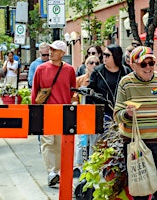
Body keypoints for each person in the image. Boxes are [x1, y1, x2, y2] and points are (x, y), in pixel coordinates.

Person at [113, 46, 157, 200]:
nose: (148, 68)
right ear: (132, 65)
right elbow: (117, 115)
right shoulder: (126, 83)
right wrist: (127, 113)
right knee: (141, 189)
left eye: (151, 63)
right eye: (143, 64)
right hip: (136, 144)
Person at [31, 40, 76, 187]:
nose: (51, 52)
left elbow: (72, 90)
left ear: (62, 53)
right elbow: (35, 91)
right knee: (47, 142)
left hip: (63, 111)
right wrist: (34, 111)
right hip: (46, 110)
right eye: (50, 49)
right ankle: (51, 172)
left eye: (55, 50)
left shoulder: (69, 70)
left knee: (59, 143)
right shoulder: (41, 69)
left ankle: (56, 172)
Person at [73, 55, 101, 177]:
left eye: (97, 62)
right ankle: (79, 166)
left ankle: (93, 166)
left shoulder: (102, 79)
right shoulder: (80, 80)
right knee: (81, 141)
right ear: (86, 65)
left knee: (95, 142)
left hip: (96, 115)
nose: (94, 65)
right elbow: (73, 97)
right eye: (91, 62)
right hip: (82, 115)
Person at [87, 44, 126, 119]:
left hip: (122, 112)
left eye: (107, 55)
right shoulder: (97, 72)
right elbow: (90, 93)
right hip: (103, 113)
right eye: (104, 54)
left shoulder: (125, 71)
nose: (104, 57)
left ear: (115, 56)